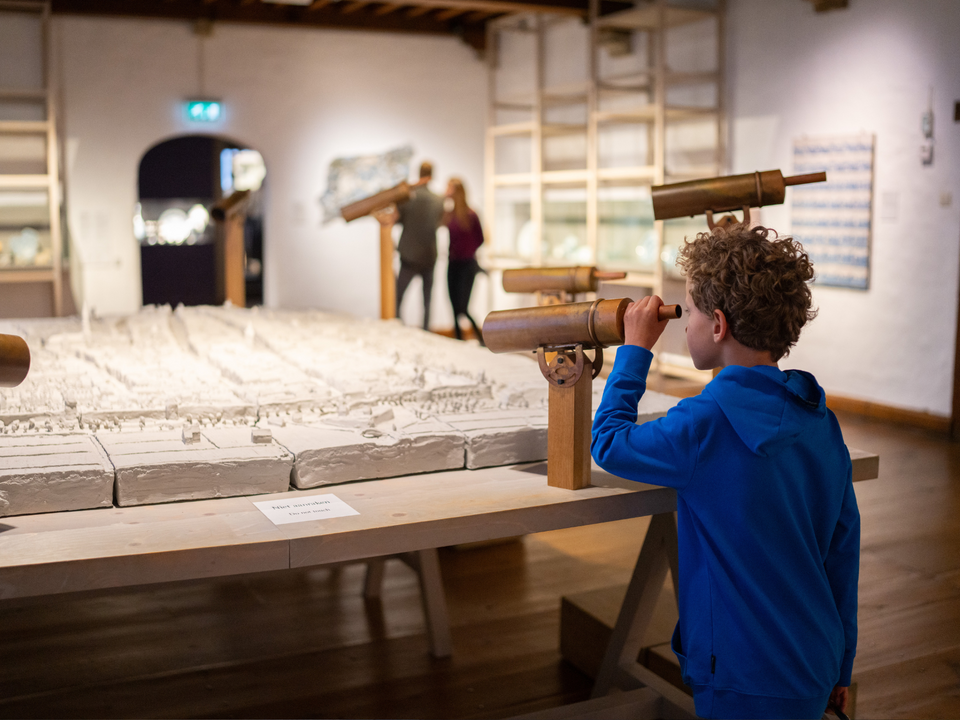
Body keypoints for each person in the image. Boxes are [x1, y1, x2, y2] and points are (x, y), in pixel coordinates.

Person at [591, 224, 859, 720]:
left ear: (717, 325)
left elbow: (608, 441)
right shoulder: (822, 422)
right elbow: (842, 555)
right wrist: (842, 666)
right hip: (815, 661)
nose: (684, 320)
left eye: (688, 310)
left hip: (739, 673)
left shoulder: (702, 425)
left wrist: (633, 351)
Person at [394, 161, 444, 330]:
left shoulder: (408, 198)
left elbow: (398, 219)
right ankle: (425, 331)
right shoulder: (438, 200)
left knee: (398, 297)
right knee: (427, 300)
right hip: (428, 255)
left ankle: (398, 327)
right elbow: (438, 223)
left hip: (409, 254)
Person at [443, 177, 484, 344]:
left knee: (463, 308)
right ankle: (459, 341)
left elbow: (480, 238)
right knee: (453, 306)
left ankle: (480, 337)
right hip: (453, 264)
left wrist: (467, 251)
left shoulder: (471, 215)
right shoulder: (449, 215)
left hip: (467, 265)